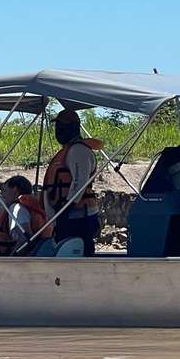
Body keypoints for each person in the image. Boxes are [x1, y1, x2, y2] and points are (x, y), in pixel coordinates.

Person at [42, 109, 103, 256]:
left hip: (78, 217)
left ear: (74, 128)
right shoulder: (68, 150)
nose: (58, 131)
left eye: (62, 127)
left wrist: (66, 210)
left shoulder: (78, 151)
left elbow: (79, 182)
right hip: (66, 217)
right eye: (57, 127)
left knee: (78, 253)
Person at [0, 175, 52, 255]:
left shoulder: (17, 209)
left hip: (22, 261)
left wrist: (12, 258)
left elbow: (24, 239)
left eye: (5, 191)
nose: (3, 195)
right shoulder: (29, 207)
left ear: (14, 189)